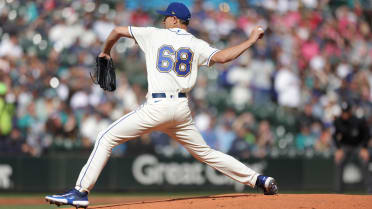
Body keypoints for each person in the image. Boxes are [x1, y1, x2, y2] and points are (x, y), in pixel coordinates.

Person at [45, 2, 278, 208]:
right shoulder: (196, 44)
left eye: (166, 16)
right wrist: (250, 40)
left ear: (175, 19)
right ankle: (259, 180)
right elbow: (224, 57)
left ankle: (80, 192)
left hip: (157, 106)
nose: (163, 19)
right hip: (181, 110)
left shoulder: (153, 34)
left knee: (106, 138)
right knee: (207, 153)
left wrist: (105, 52)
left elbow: (116, 31)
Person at [333, 102, 370, 193]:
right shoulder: (338, 121)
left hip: (358, 146)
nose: (344, 114)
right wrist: (338, 149)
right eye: (343, 112)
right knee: (339, 161)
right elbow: (334, 136)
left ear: (350, 112)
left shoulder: (358, 121)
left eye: (346, 112)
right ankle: (338, 191)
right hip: (345, 146)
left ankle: (370, 190)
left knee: (364, 161)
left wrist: (364, 148)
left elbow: (367, 135)